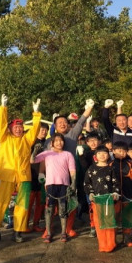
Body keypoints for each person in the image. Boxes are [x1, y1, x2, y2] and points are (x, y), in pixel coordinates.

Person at [0, 94, 41, 244]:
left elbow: (35, 129)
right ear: (10, 129)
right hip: (6, 175)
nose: (18, 129)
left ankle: (18, 231)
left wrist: (36, 114)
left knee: (22, 205)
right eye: (16, 127)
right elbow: (1, 123)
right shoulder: (4, 138)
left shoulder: (27, 140)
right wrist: (3, 107)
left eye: (20, 127)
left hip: (24, 177)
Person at [46, 99, 95, 237]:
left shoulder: (72, 136)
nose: (62, 124)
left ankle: (68, 228)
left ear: (67, 124)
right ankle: (48, 230)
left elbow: (81, 121)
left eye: (64, 122)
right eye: (59, 123)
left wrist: (89, 107)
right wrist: (42, 174)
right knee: (51, 205)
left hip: (69, 174)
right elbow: (45, 160)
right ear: (55, 126)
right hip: (53, 177)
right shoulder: (49, 141)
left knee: (70, 201)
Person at [32, 133, 76, 243]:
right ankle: (48, 233)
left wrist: (73, 183)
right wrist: (35, 151)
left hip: (64, 185)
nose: (59, 143)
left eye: (61, 140)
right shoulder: (47, 153)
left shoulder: (68, 154)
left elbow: (72, 170)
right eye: (56, 141)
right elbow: (32, 161)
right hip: (50, 185)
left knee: (63, 209)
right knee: (49, 209)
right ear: (52, 143)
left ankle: (63, 233)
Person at [84, 145, 121, 253]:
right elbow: (87, 183)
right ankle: (102, 244)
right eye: (99, 153)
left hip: (109, 200)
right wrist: (90, 193)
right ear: (95, 156)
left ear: (108, 155)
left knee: (109, 222)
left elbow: (116, 183)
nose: (102, 155)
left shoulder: (111, 169)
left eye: (104, 153)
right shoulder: (91, 169)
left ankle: (111, 243)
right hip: (97, 200)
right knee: (99, 222)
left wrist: (115, 193)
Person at [110, 141, 132, 247]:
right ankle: (113, 239)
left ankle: (127, 238)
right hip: (114, 197)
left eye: (123, 151)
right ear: (113, 151)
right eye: (119, 150)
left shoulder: (130, 165)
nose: (121, 153)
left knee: (128, 217)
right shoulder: (110, 165)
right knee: (114, 217)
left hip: (128, 194)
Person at [28, 123, 49, 232]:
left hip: (43, 175)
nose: (44, 132)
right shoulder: (30, 141)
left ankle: (36, 224)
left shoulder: (48, 143)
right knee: (29, 202)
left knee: (40, 201)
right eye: (42, 130)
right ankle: (24, 224)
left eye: (46, 130)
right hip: (31, 174)